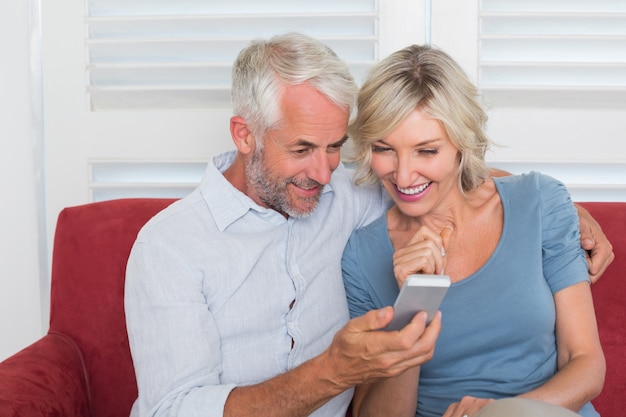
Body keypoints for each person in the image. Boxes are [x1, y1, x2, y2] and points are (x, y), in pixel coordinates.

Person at [125, 33, 612, 417]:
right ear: (244, 135)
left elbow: (438, 176)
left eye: (336, 146)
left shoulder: (342, 197)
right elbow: (174, 410)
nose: (323, 172)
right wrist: (341, 365)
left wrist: (562, 209)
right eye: (301, 149)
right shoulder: (170, 247)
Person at [342, 44, 606, 417]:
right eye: (385, 149)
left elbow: (586, 364)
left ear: (461, 145)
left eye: (426, 151)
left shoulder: (539, 201)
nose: (402, 176)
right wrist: (414, 304)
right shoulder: (363, 254)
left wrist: (507, 412)